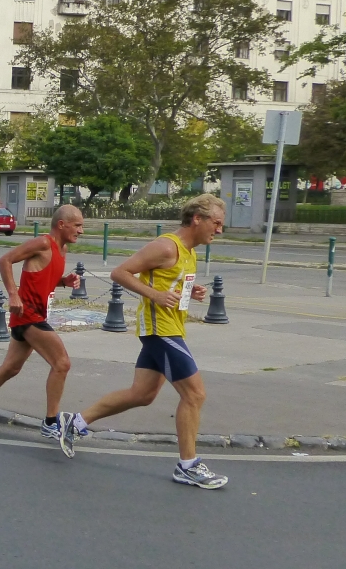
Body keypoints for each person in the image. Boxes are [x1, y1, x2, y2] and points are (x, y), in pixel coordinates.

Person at [63, 195, 227, 487]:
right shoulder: (167, 246)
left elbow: (169, 283)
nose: (219, 230)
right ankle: (188, 465)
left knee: (142, 394)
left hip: (170, 327)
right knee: (195, 395)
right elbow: (120, 272)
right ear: (197, 219)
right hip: (160, 330)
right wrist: (155, 295)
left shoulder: (190, 252)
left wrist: (190, 291)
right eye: (216, 223)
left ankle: (75, 422)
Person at [0, 205, 84, 434]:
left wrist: (63, 281)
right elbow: (5, 260)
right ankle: (50, 423)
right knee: (62, 363)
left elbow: (41, 277)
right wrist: (13, 294)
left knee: (11, 367)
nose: (81, 231)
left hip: (34, 315)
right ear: (62, 224)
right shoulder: (43, 243)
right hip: (28, 314)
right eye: (77, 226)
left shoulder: (62, 249)